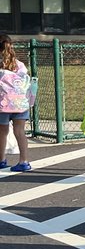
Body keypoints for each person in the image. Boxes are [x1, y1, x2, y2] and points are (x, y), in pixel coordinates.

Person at [0, 35, 33, 172]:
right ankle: (24, 161)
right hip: (20, 103)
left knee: (2, 132)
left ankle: (1, 159)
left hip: (3, 104)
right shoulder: (19, 64)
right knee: (20, 132)